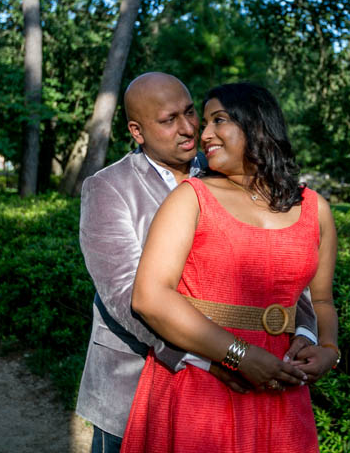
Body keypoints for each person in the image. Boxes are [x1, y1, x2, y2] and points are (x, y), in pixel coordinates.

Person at [75, 73, 321, 453]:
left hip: (239, 392)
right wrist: (217, 358)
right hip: (135, 386)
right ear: (137, 132)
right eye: (168, 119)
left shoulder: (228, 166)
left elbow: (281, 266)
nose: (189, 128)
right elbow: (126, 297)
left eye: (191, 112)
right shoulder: (109, 188)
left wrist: (305, 334)